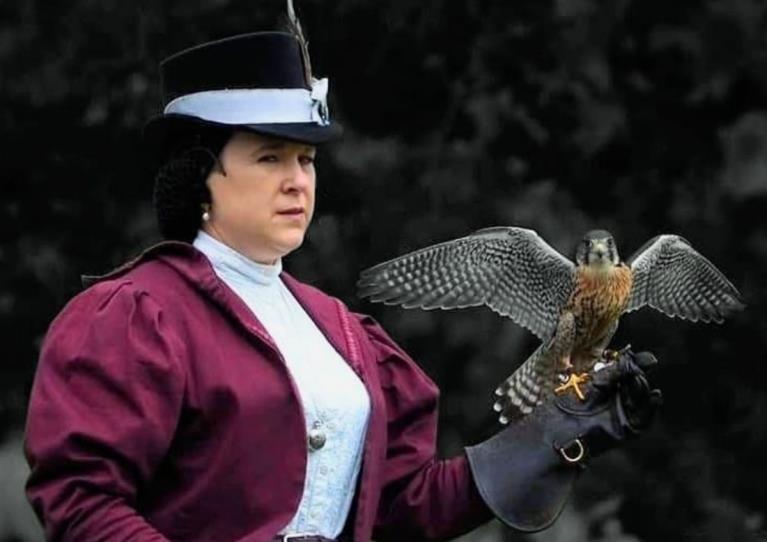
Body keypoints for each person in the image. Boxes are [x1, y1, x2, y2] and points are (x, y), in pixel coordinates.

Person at [23, 28, 661, 542]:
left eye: (307, 160)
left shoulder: (344, 335)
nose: (298, 180)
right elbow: (83, 502)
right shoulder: (136, 315)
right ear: (200, 178)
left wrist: (549, 437)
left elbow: (399, 511)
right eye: (269, 157)